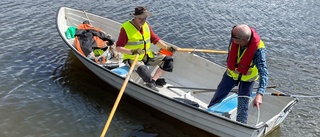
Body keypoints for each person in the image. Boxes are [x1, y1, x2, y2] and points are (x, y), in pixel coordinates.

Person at [208, 24, 268, 124]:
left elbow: (264, 73)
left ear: (242, 41)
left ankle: (241, 125)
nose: (231, 37)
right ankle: (209, 115)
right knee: (217, 97)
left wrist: (259, 94)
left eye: (233, 36)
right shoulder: (235, 39)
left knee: (243, 106)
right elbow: (230, 52)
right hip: (231, 74)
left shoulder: (258, 49)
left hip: (247, 79)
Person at [115, 6, 177, 91]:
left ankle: (153, 82)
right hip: (132, 58)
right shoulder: (126, 28)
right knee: (144, 70)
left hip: (146, 55)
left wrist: (167, 48)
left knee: (168, 60)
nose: (143, 20)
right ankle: (149, 81)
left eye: (145, 18)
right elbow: (118, 48)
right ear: (135, 17)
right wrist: (132, 51)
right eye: (141, 18)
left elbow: (155, 40)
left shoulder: (146, 25)